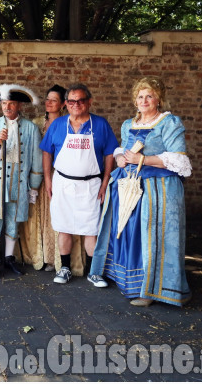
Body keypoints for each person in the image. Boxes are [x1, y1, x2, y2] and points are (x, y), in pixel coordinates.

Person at [90, 77, 192, 307]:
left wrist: (143, 159)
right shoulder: (129, 124)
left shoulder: (169, 123)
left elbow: (180, 160)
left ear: (158, 99)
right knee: (131, 236)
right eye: (140, 96)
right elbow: (122, 148)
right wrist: (120, 158)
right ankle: (131, 282)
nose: (144, 100)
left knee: (151, 238)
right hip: (128, 187)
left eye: (149, 96)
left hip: (158, 192)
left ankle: (151, 290)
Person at [39, 83, 118, 285]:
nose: (76, 104)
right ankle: (64, 268)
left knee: (91, 228)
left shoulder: (100, 124)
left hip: (91, 184)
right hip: (63, 182)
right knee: (64, 226)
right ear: (66, 103)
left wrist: (105, 180)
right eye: (72, 101)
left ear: (89, 102)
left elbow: (110, 153)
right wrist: (48, 179)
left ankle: (94, 271)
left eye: (81, 100)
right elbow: (46, 151)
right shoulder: (58, 124)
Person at [17, 85, 87, 275]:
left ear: (63, 104)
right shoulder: (36, 122)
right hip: (37, 175)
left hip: (62, 175)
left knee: (59, 218)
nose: (48, 103)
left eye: (53, 100)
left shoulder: (69, 124)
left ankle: (59, 260)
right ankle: (41, 256)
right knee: (38, 216)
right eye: (47, 99)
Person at [0, 84, 43, 280]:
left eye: (11, 103)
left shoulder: (31, 128)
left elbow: (37, 159)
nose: (7, 107)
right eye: (5, 103)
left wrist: (34, 185)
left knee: (13, 219)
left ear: (19, 106)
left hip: (19, 178)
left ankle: (9, 257)